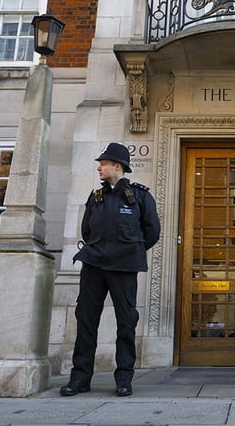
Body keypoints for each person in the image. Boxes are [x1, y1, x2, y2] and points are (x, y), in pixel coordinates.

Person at [60, 142, 161, 397]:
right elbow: (86, 231)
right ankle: (80, 378)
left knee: (126, 323)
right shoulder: (96, 197)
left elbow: (152, 232)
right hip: (94, 265)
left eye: (103, 164)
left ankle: (124, 378)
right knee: (86, 321)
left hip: (124, 267)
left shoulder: (139, 196)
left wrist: (129, 250)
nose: (99, 168)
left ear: (118, 167)